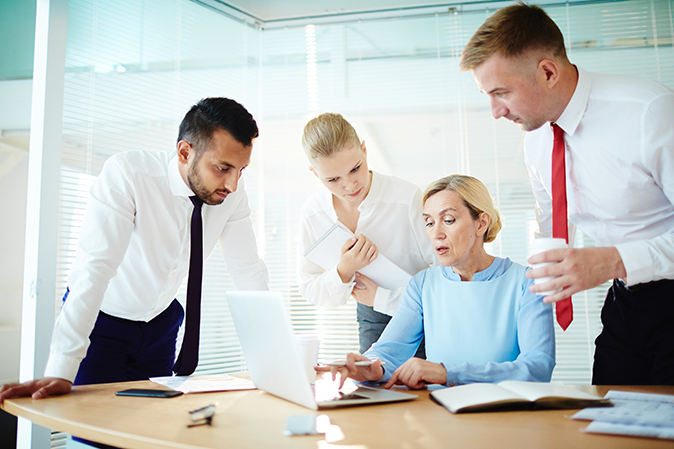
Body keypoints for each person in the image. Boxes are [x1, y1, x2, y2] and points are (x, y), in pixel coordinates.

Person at [0, 97, 269, 404]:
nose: (233, 184)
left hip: (162, 326)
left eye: (241, 170)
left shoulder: (231, 194)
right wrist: (61, 368)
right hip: (103, 327)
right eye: (223, 168)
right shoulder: (128, 175)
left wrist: (279, 354)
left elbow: (247, 269)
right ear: (184, 152)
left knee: (152, 426)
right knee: (95, 430)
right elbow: (94, 267)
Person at [461, 3, 674, 385]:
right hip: (625, 302)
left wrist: (611, 261)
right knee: (608, 427)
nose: (494, 111)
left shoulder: (650, 112)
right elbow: (551, 229)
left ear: (547, 71)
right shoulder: (536, 141)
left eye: (501, 92)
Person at [331, 175, 555, 389]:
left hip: (505, 414)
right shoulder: (423, 284)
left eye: (448, 220)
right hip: (441, 413)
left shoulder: (528, 283)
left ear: (481, 223)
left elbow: (538, 367)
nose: (436, 233)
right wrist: (368, 367)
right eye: (429, 223)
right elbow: (389, 350)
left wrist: (447, 373)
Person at [299, 113, 437, 355]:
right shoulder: (313, 213)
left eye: (355, 168)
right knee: (376, 390)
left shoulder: (406, 198)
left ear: (364, 150)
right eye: (333, 179)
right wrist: (344, 269)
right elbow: (310, 288)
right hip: (371, 319)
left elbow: (445, 275)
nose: (350, 185)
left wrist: (383, 298)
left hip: (424, 314)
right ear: (314, 173)